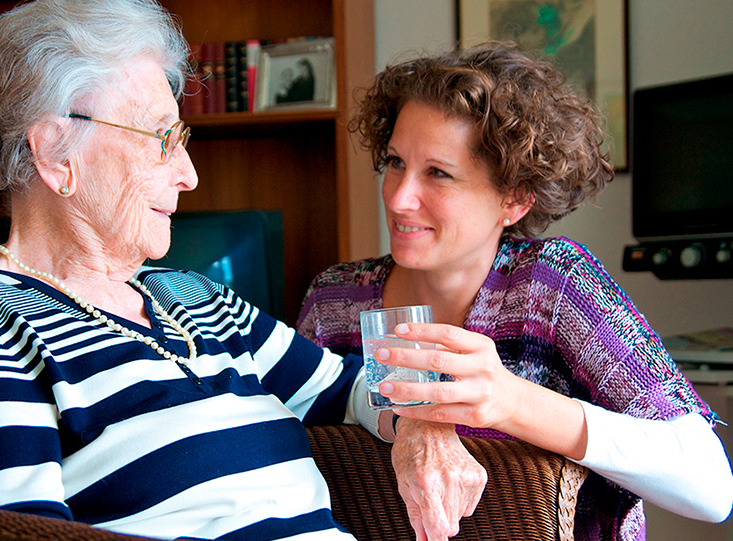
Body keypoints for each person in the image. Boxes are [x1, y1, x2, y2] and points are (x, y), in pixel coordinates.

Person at [0, 1, 460, 539]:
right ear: (54, 155)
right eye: (161, 139)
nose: (189, 176)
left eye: (181, 141)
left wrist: (420, 423)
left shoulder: (198, 299)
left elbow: (356, 388)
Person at [297, 43, 733, 540]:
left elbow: (710, 486)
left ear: (516, 199)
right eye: (395, 162)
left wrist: (512, 402)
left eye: (438, 173)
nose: (398, 197)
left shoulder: (552, 286)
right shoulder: (335, 302)